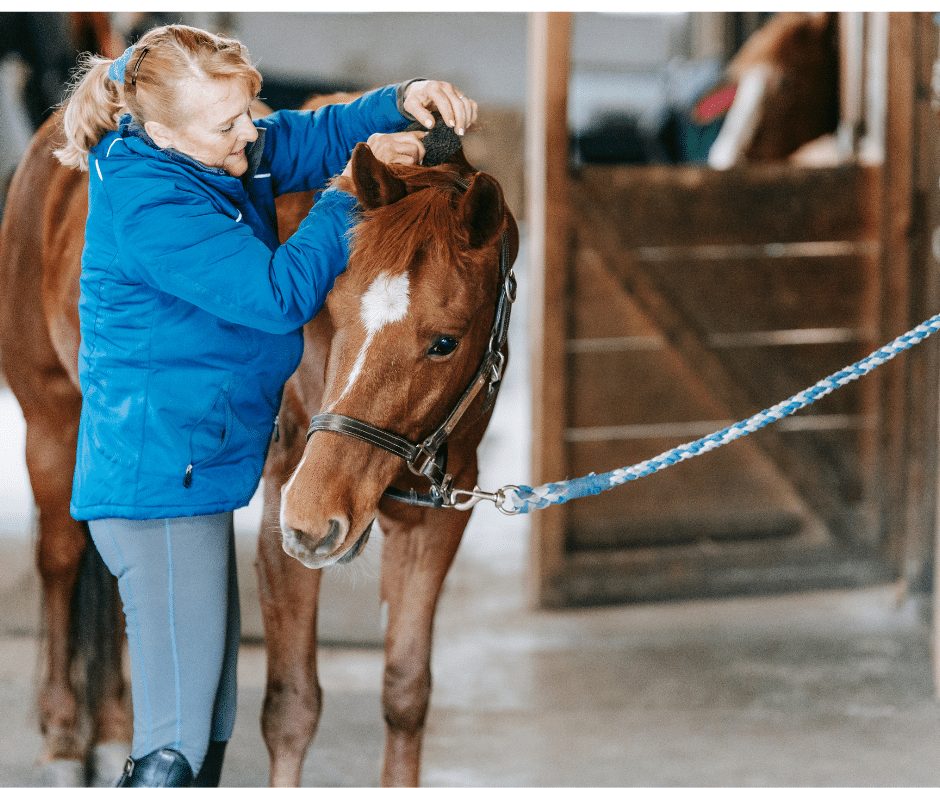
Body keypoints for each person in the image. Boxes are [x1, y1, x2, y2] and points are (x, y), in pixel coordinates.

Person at [54, 23, 478, 788]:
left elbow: (306, 134)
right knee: (172, 748)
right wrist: (349, 191)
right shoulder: (153, 206)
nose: (249, 133)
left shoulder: (211, 152)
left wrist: (395, 104)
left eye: (247, 112)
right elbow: (279, 296)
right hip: (158, 486)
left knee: (206, 727)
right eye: (228, 124)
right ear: (160, 130)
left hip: (194, 476)